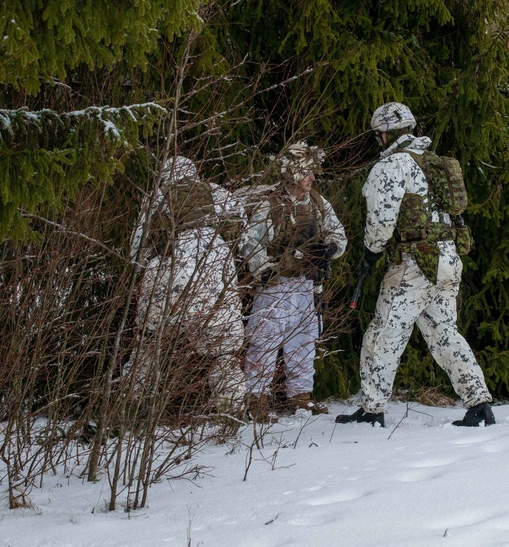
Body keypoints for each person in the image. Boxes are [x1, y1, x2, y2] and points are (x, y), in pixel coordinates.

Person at [336, 102, 495, 428]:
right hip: (448, 258)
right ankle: (479, 403)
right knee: (444, 333)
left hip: (414, 264)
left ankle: (372, 409)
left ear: (383, 134)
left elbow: (381, 222)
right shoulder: (432, 162)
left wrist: (370, 251)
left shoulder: (391, 166)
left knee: (382, 335)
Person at [127, 155, 246, 418]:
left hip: (166, 281)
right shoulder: (218, 194)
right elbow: (243, 232)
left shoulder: (157, 198)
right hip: (216, 283)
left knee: (147, 349)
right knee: (224, 354)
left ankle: (133, 411)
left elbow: (136, 249)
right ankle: (231, 413)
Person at [240, 142, 347, 421]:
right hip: (274, 288)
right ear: (289, 173)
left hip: (305, 286)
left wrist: (329, 250)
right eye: (305, 172)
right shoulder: (270, 203)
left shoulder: (318, 203)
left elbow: (338, 234)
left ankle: (300, 399)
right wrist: (264, 271)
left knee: (303, 344)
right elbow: (251, 242)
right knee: (263, 344)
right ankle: (257, 403)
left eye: (312, 172)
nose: (311, 178)